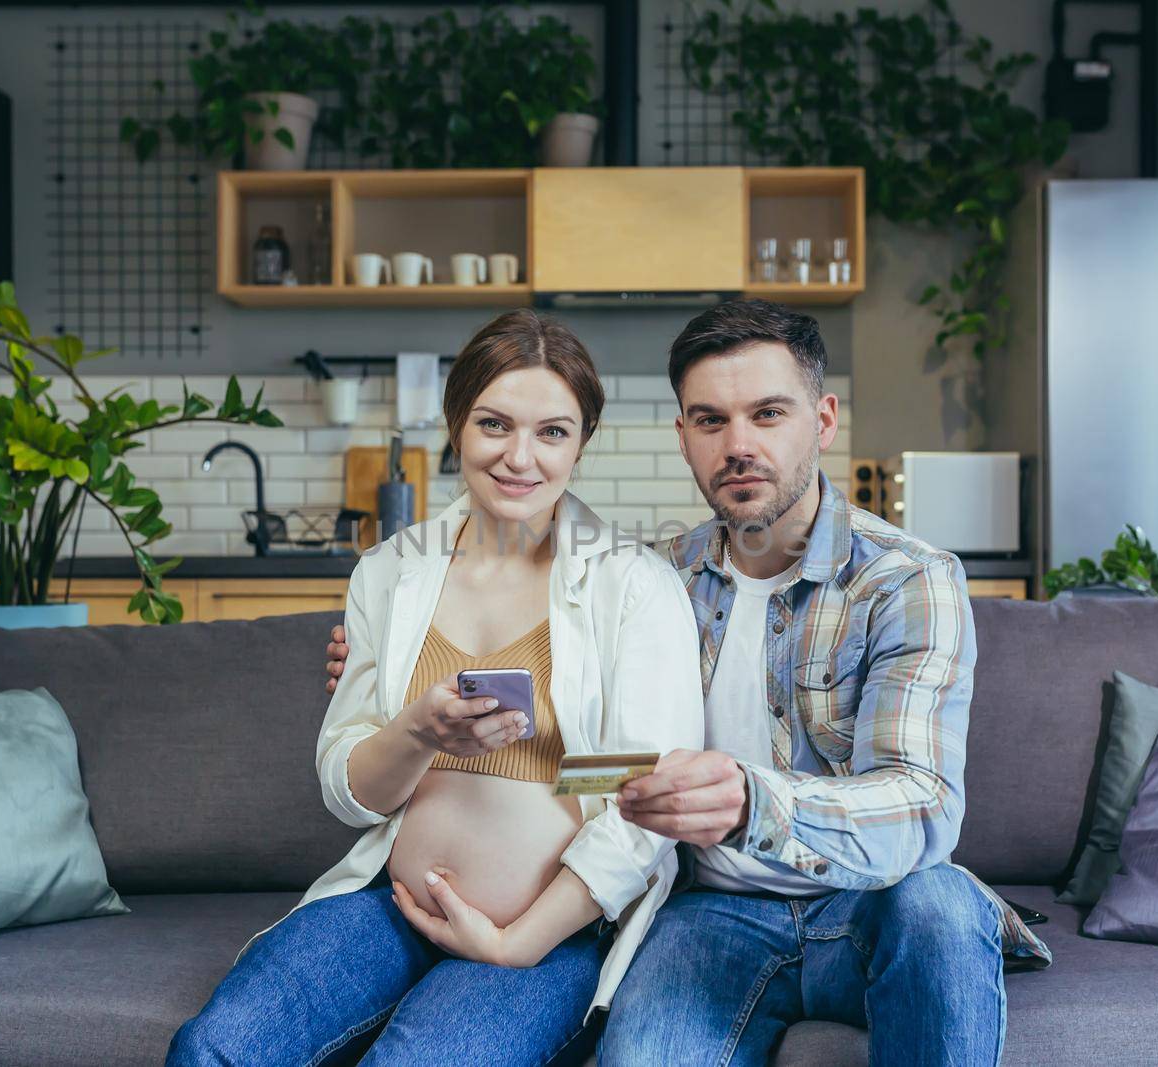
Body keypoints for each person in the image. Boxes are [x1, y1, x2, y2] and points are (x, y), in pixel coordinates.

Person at [327, 300, 1051, 1065]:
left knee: (940, 900)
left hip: (870, 905)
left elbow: (922, 804)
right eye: (710, 420)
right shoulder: (651, 579)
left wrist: (752, 802)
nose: (738, 445)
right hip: (711, 915)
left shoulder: (905, 579)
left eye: (768, 413)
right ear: (683, 437)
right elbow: (619, 772)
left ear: (824, 419)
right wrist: (398, 672)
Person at [168, 309, 704, 1067]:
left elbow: (644, 790)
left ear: (582, 441)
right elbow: (347, 789)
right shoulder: (390, 571)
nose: (521, 457)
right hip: (387, 906)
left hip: (543, 933)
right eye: (494, 423)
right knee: (214, 1048)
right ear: (456, 424)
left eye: (553, 431)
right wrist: (421, 731)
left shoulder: (632, 585)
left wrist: (517, 939)